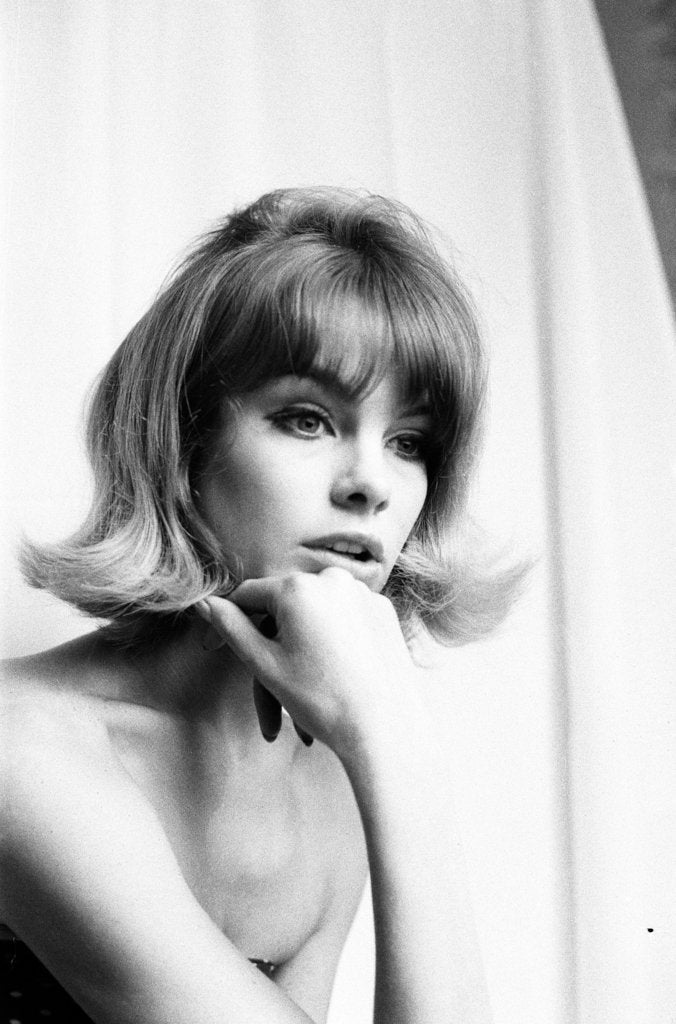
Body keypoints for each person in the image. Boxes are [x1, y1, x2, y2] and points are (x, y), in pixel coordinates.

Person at [1, 187, 520, 1024]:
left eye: (409, 442)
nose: (372, 484)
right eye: (308, 420)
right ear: (183, 443)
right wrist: (392, 748)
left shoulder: (332, 785)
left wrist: (393, 744)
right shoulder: (23, 747)